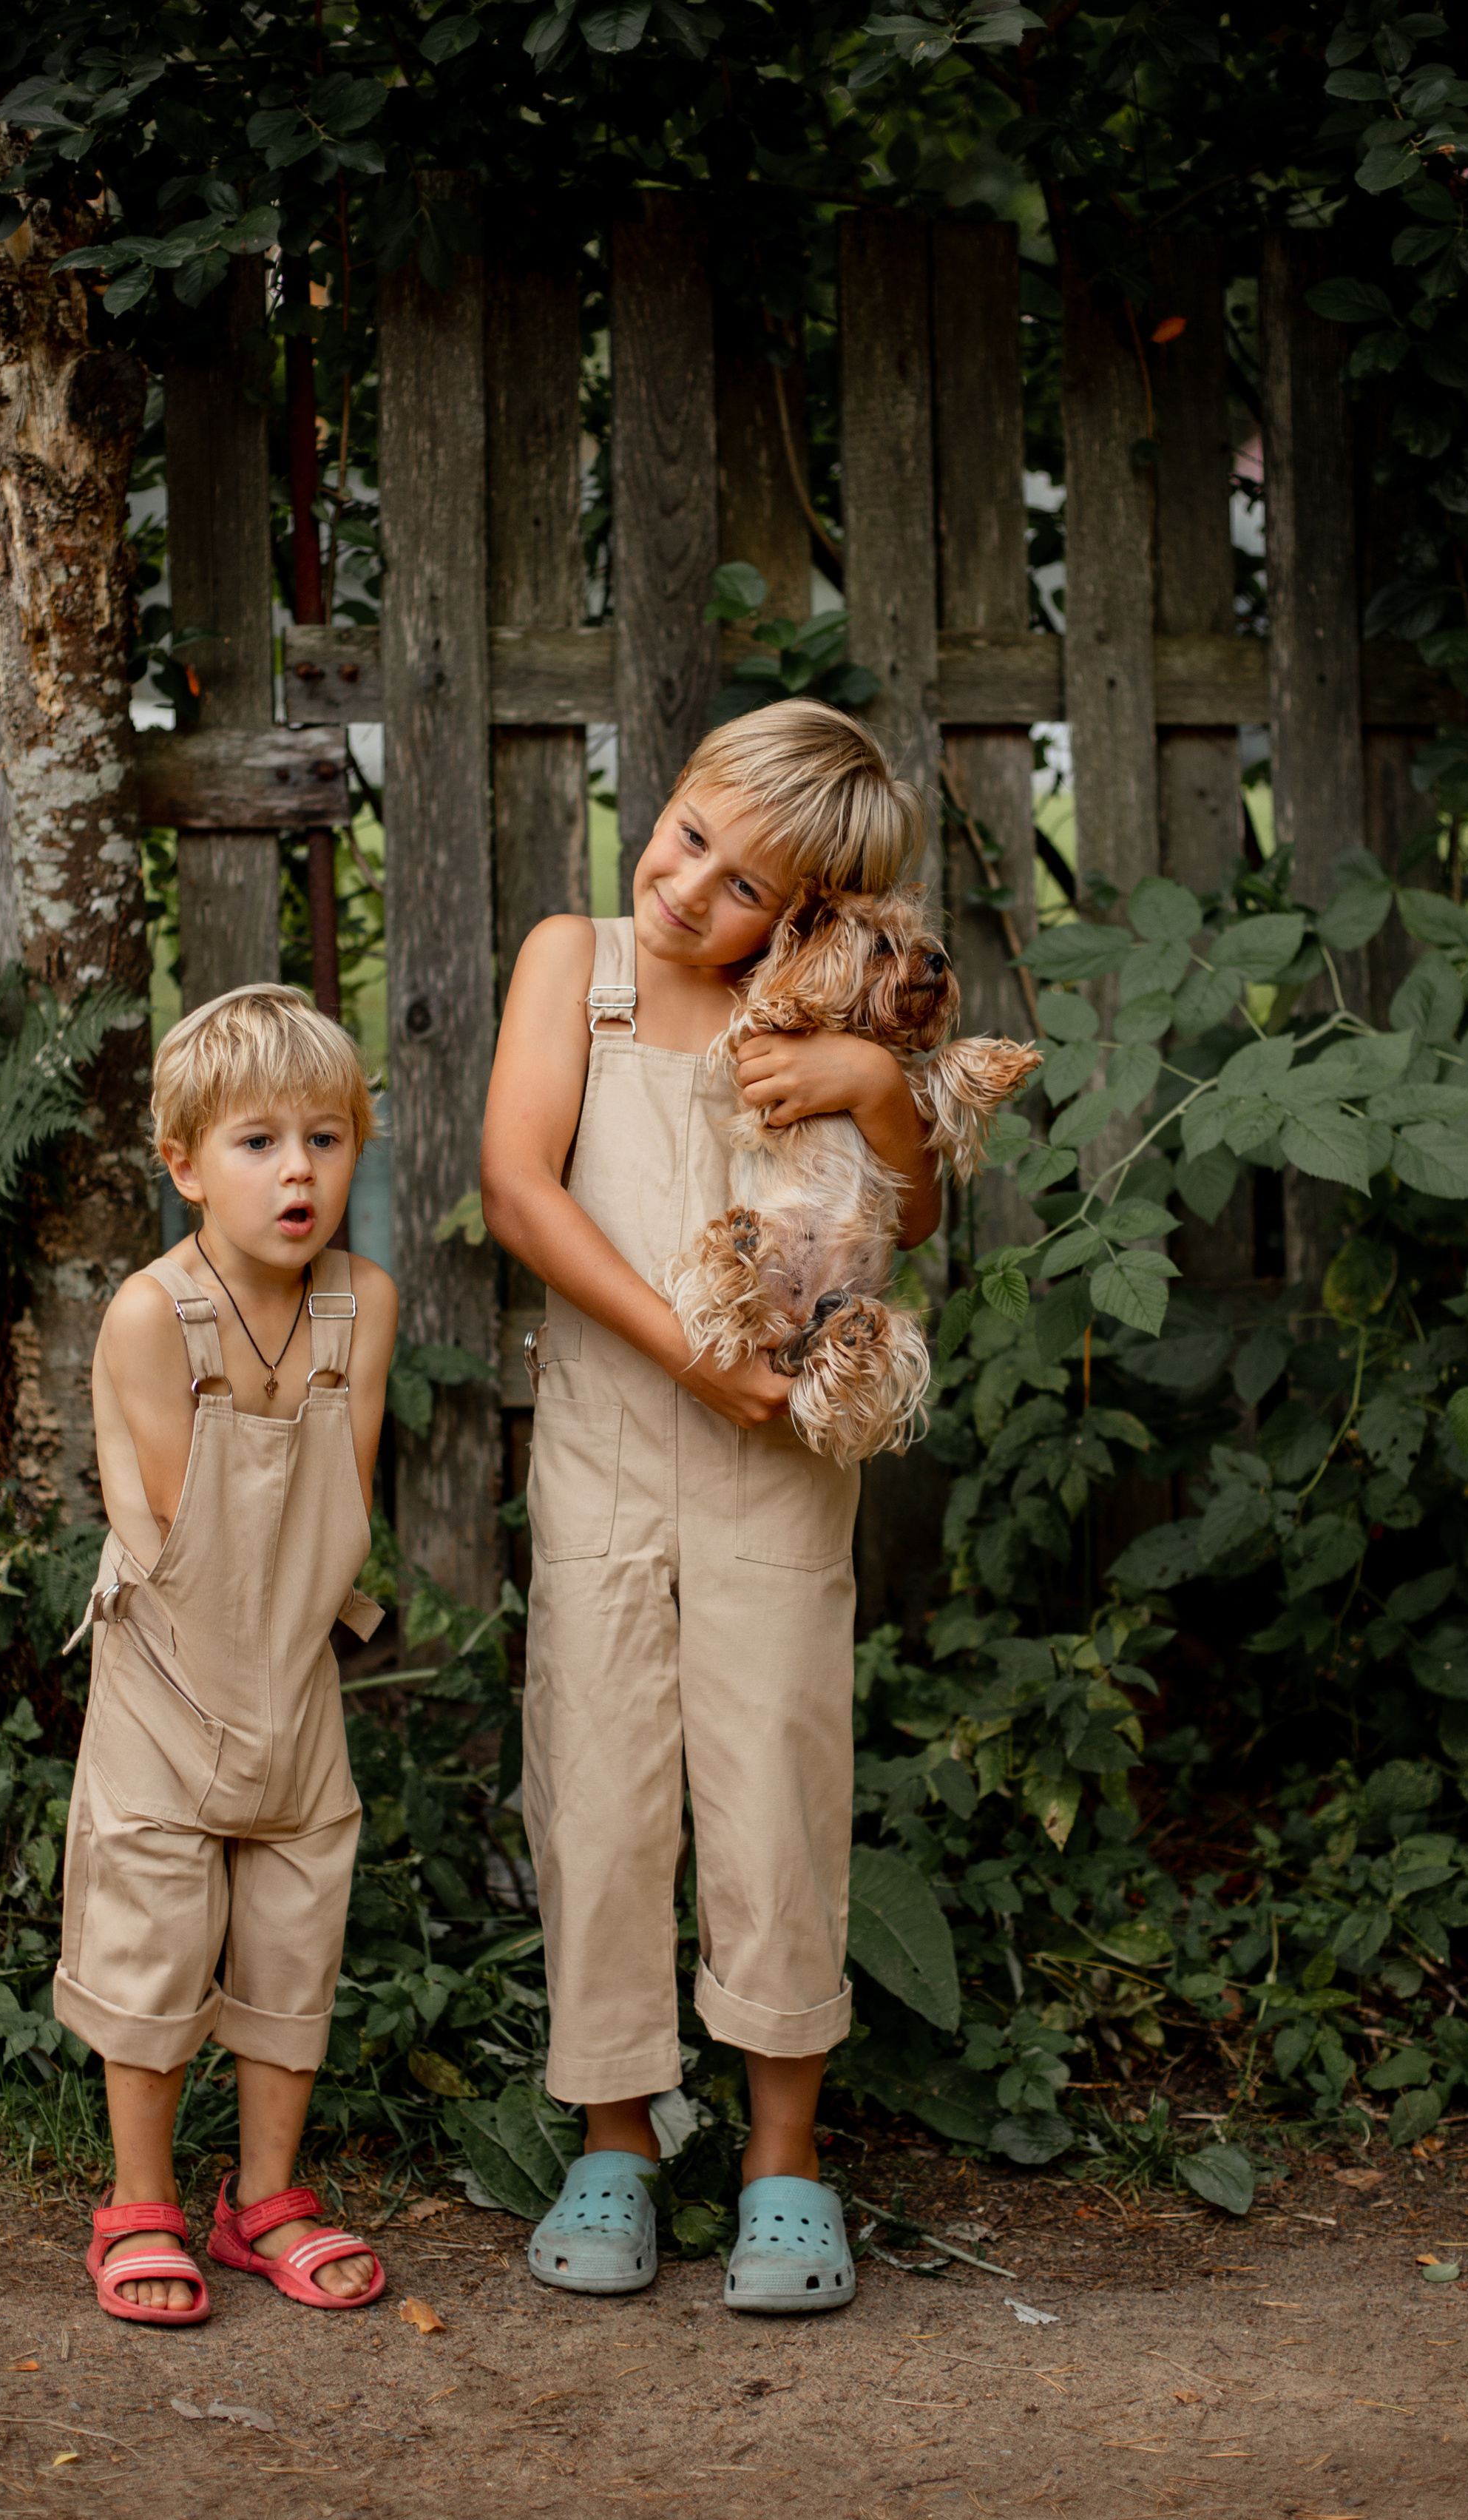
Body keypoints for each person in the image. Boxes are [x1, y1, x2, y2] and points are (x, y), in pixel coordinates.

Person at [480, 697, 942, 2314]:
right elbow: (516, 1187)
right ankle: (614, 2133)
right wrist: (688, 1351)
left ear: (807, 918)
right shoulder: (577, 967)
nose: (690, 889)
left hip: (775, 1467)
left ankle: (780, 2158)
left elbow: (911, 1208)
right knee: (598, 1780)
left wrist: (872, 1090)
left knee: (775, 1780)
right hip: (613, 1437)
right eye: (687, 835)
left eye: (745, 885)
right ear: (659, 799)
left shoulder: (817, 1020)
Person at [53, 984, 399, 2325]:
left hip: (294, 1674)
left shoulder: (358, 1305)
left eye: (326, 1137)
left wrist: (293, 1670)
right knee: (155, 1928)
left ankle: (262, 2203)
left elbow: (334, 1512)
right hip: (173, 1674)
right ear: (186, 1165)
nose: (297, 1169)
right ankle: (138, 2200)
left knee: (292, 1935)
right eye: (256, 1142)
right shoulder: (156, 1316)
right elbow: (197, 1541)